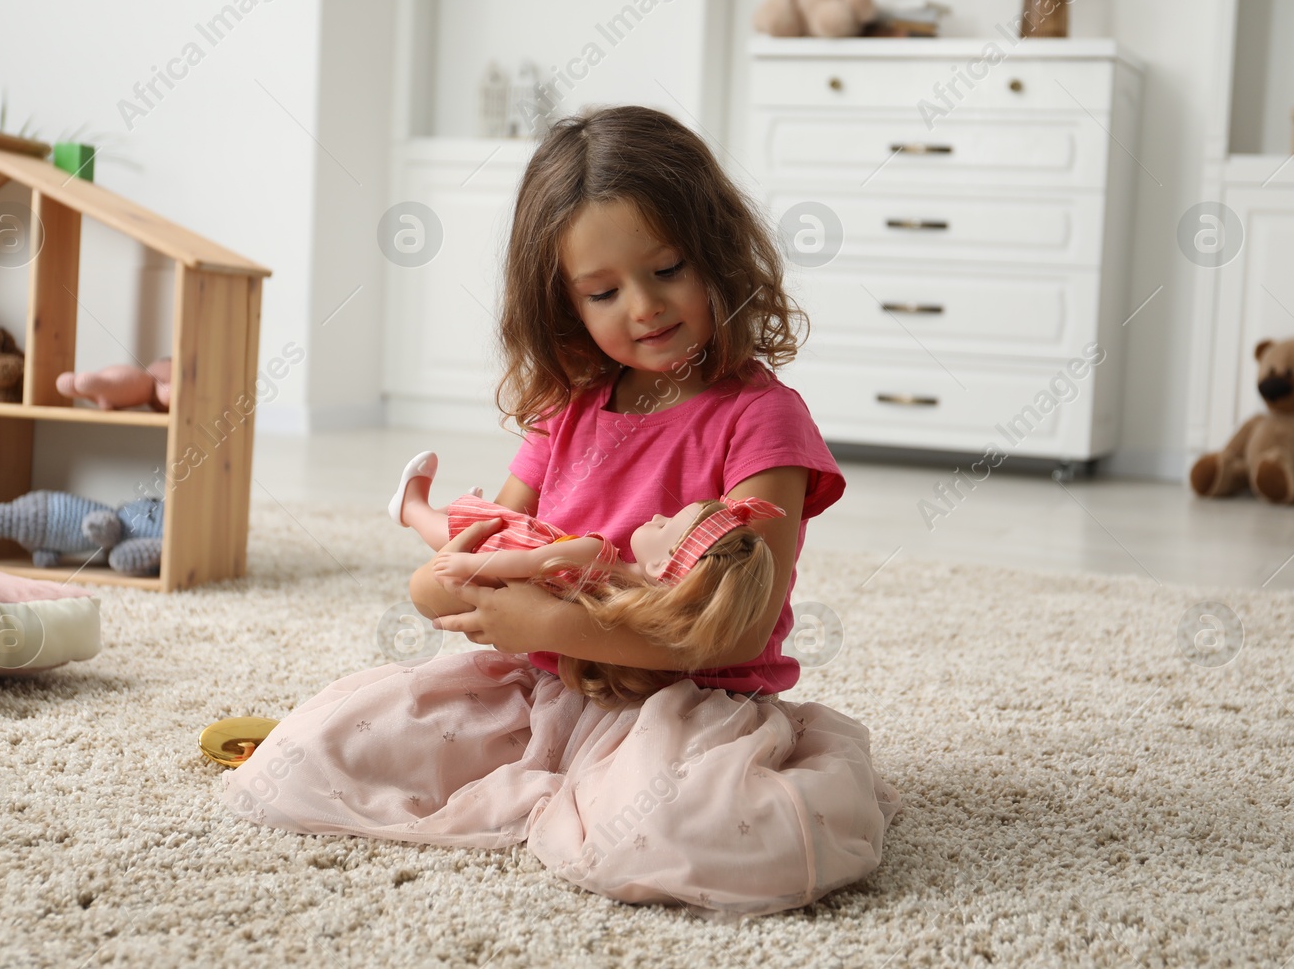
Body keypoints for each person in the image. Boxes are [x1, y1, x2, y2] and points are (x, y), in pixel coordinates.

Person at [222, 104, 902, 920]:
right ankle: (555, 786)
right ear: (564, 305)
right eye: (604, 291)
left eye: (669, 268)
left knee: (716, 831)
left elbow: (736, 626)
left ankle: (586, 795)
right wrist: (449, 589)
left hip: (677, 703)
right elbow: (460, 573)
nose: (644, 307)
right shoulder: (571, 408)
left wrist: (546, 621)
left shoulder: (762, 421)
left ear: (716, 252)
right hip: (534, 686)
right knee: (310, 755)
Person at [388, 448, 785, 706]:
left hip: (510, 559)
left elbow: (526, 565)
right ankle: (418, 508)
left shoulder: (599, 556)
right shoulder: (626, 595)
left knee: (459, 532)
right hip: (518, 562)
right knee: (461, 533)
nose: (659, 516)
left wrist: (475, 566)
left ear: (663, 567)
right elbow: (529, 563)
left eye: (666, 527)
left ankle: (412, 508)